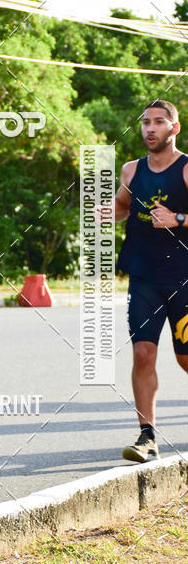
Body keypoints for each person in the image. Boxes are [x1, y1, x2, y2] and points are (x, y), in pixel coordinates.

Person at [115, 99, 188, 462]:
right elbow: (121, 206)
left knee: (186, 359)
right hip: (143, 276)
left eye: (159, 122)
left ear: (174, 128)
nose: (150, 128)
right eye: (145, 122)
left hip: (184, 278)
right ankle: (147, 436)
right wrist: (106, 212)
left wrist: (178, 217)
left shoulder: (187, 169)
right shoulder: (131, 170)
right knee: (143, 353)